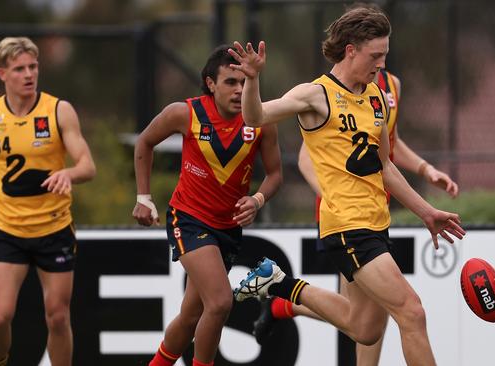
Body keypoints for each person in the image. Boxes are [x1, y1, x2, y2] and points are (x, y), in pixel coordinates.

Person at [229, 5, 465, 366]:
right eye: (376, 55)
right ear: (351, 49)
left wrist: (426, 212)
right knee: (412, 313)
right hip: (346, 225)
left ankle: (279, 284)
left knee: (365, 329)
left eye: (385, 55)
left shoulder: (374, 98)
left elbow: (385, 165)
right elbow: (254, 116)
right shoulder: (315, 94)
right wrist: (253, 79)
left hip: (376, 221)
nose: (382, 65)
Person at [132, 45, 282, 366]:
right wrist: (143, 198)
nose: (239, 89)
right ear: (210, 83)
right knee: (220, 302)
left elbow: (275, 175)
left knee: (190, 317)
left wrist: (257, 199)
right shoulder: (185, 113)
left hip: (227, 228)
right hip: (188, 218)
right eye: (230, 82)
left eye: (244, 82)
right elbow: (144, 142)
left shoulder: (262, 120)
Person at [0, 37, 96, 366]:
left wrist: (69, 175)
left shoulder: (59, 110)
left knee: (57, 317)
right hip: (10, 231)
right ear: (2, 73)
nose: (29, 74)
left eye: (33, 67)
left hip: (54, 228)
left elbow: (88, 165)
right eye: (19, 69)